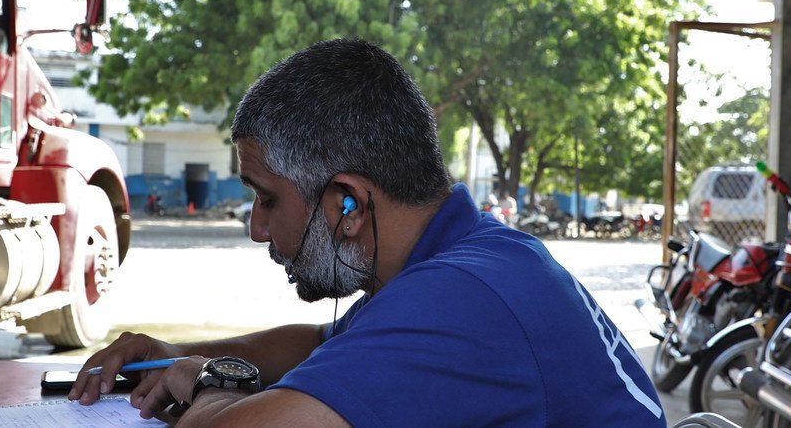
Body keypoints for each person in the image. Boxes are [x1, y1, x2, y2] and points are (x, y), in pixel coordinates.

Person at [70, 38, 664, 426]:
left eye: (266, 198)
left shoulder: (461, 299)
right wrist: (185, 352)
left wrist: (210, 384)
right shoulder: (473, 256)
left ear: (346, 201)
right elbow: (322, 345)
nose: (256, 228)